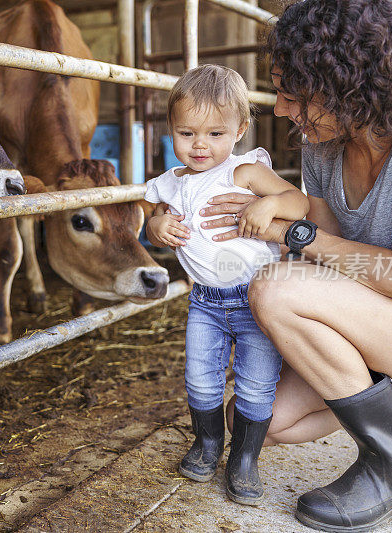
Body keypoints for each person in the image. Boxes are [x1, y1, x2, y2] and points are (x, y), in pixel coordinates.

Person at [167, 0, 392, 530]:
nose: (283, 110)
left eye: (294, 96)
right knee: (268, 422)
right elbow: (333, 250)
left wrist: (290, 233)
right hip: (384, 318)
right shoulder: (326, 141)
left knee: (275, 290)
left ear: (347, 85)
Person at [144, 64, 309, 506]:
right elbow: (148, 212)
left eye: (215, 134)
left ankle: (245, 459)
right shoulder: (169, 183)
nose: (200, 145)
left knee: (256, 383)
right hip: (204, 302)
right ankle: (207, 444)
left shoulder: (245, 172)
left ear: (239, 130)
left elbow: (300, 202)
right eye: (186, 133)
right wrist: (157, 224)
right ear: (172, 130)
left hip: (257, 298)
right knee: (200, 379)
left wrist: (270, 203)